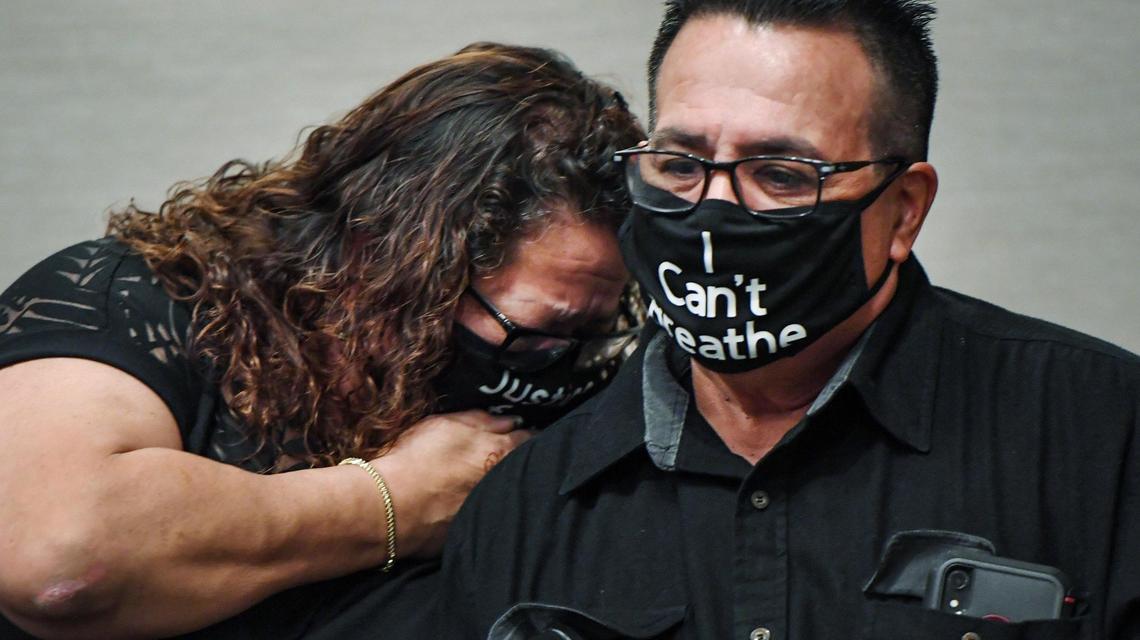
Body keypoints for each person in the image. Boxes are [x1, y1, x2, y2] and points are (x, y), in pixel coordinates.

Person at [437, 2, 1140, 638]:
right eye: (680, 164)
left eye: (780, 175)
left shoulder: (1102, 434)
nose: (712, 213)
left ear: (903, 211)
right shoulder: (528, 504)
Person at [0, 42, 643, 638]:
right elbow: (59, 564)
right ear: (389, 253)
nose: (562, 358)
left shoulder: (565, 383)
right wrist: (389, 502)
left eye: (592, 328)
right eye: (541, 327)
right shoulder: (138, 299)